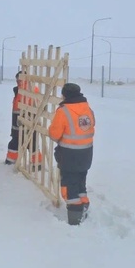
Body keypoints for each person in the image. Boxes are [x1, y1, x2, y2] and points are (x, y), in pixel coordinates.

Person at [48, 83, 95, 225]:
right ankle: (84, 206)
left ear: (65, 95)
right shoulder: (88, 108)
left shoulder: (63, 111)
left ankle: (75, 218)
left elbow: (54, 134)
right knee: (81, 182)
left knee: (69, 186)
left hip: (69, 155)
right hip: (86, 154)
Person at [5, 71, 42, 170]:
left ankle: (10, 162)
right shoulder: (25, 88)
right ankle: (37, 164)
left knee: (17, 142)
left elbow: (33, 106)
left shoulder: (27, 89)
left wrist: (26, 118)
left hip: (24, 121)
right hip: (22, 120)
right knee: (31, 143)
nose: (17, 81)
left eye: (18, 79)